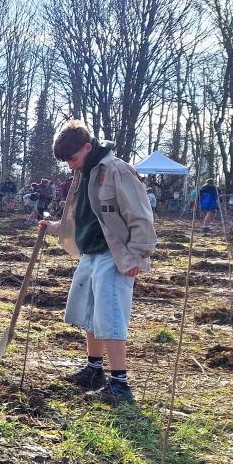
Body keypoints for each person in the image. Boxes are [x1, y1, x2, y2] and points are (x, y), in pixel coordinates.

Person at [39, 120, 156, 405]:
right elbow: (80, 217)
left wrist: (138, 255)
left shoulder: (117, 170)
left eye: (73, 158)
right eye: (66, 161)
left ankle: (120, 383)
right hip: (90, 253)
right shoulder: (85, 173)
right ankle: (94, 369)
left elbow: (141, 216)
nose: (70, 165)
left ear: (88, 147)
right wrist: (53, 227)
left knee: (110, 315)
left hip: (115, 256)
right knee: (89, 313)